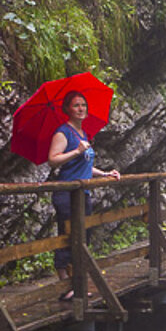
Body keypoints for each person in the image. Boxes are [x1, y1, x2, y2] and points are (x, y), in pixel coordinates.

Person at [49, 90, 120, 300]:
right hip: (67, 193)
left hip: (83, 193)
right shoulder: (63, 133)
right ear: (67, 109)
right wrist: (77, 151)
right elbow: (53, 159)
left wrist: (105, 173)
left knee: (83, 239)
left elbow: (86, 166)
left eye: (83, 105)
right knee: (69, 237)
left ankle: (77, 285)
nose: (81, 109)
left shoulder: (83, 134)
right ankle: (65, 284)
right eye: (76, 105)